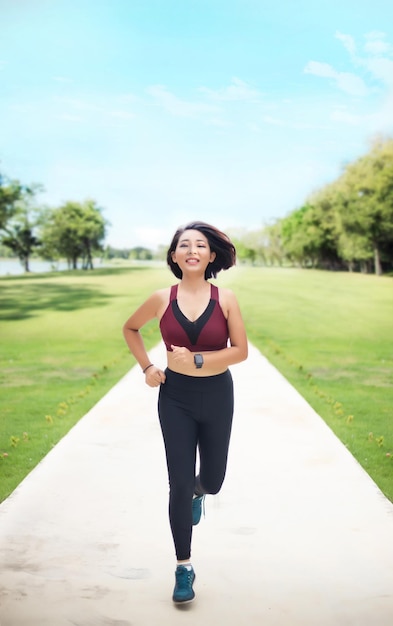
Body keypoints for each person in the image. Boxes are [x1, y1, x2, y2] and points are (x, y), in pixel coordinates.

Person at [122, 221, 248, 604]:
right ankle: (183, 567)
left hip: (217, 396)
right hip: (175, 399)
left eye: (200, 245)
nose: (192, 250)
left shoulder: (225, 298)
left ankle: (200, 491)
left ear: (211, 256)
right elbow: (131, 329)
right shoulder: (161, 298)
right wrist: (147, 368)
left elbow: (240, 351)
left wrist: (196, 358)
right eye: (184, 245)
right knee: (176, 482)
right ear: (174, 256)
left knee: (213, 480)